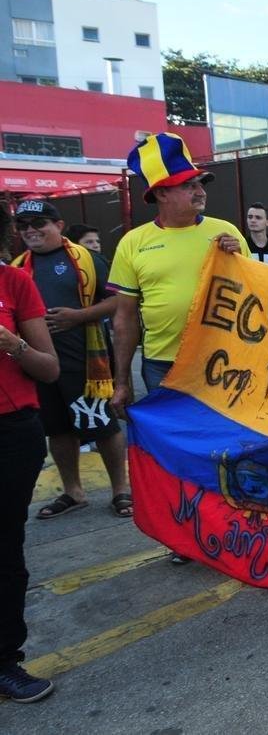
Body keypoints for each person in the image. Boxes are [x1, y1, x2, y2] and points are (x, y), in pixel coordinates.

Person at [108, 132, 248, 564]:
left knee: (231, 446)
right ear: (161, 194)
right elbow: (125, 318)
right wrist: (120, 383)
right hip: (163, 367)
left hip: (225, 363)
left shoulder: (226, 232)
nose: (199, 190)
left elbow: (258, 302)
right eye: (189, 185)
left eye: (199, 183)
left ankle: (236, 527)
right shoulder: (133, 243)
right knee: (178, 454)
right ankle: (189, 533)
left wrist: (237, 261)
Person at [9, 200, 131, 520]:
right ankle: (73, 491)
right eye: (23, 225)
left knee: (102, 424)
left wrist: (78, 316)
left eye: (39, 222)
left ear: (59, 225)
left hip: (85, 360)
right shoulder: (18, 265)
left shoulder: (87, 259)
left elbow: (120, 300)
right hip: (38, 364)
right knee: (58, 429)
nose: (31, 230)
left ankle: (121, 490)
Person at [0, 201, 60, 703]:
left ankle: (5, 661)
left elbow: (49, 369)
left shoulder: (14, 283)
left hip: (11, 430)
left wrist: (12, 344)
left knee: (4, 549)